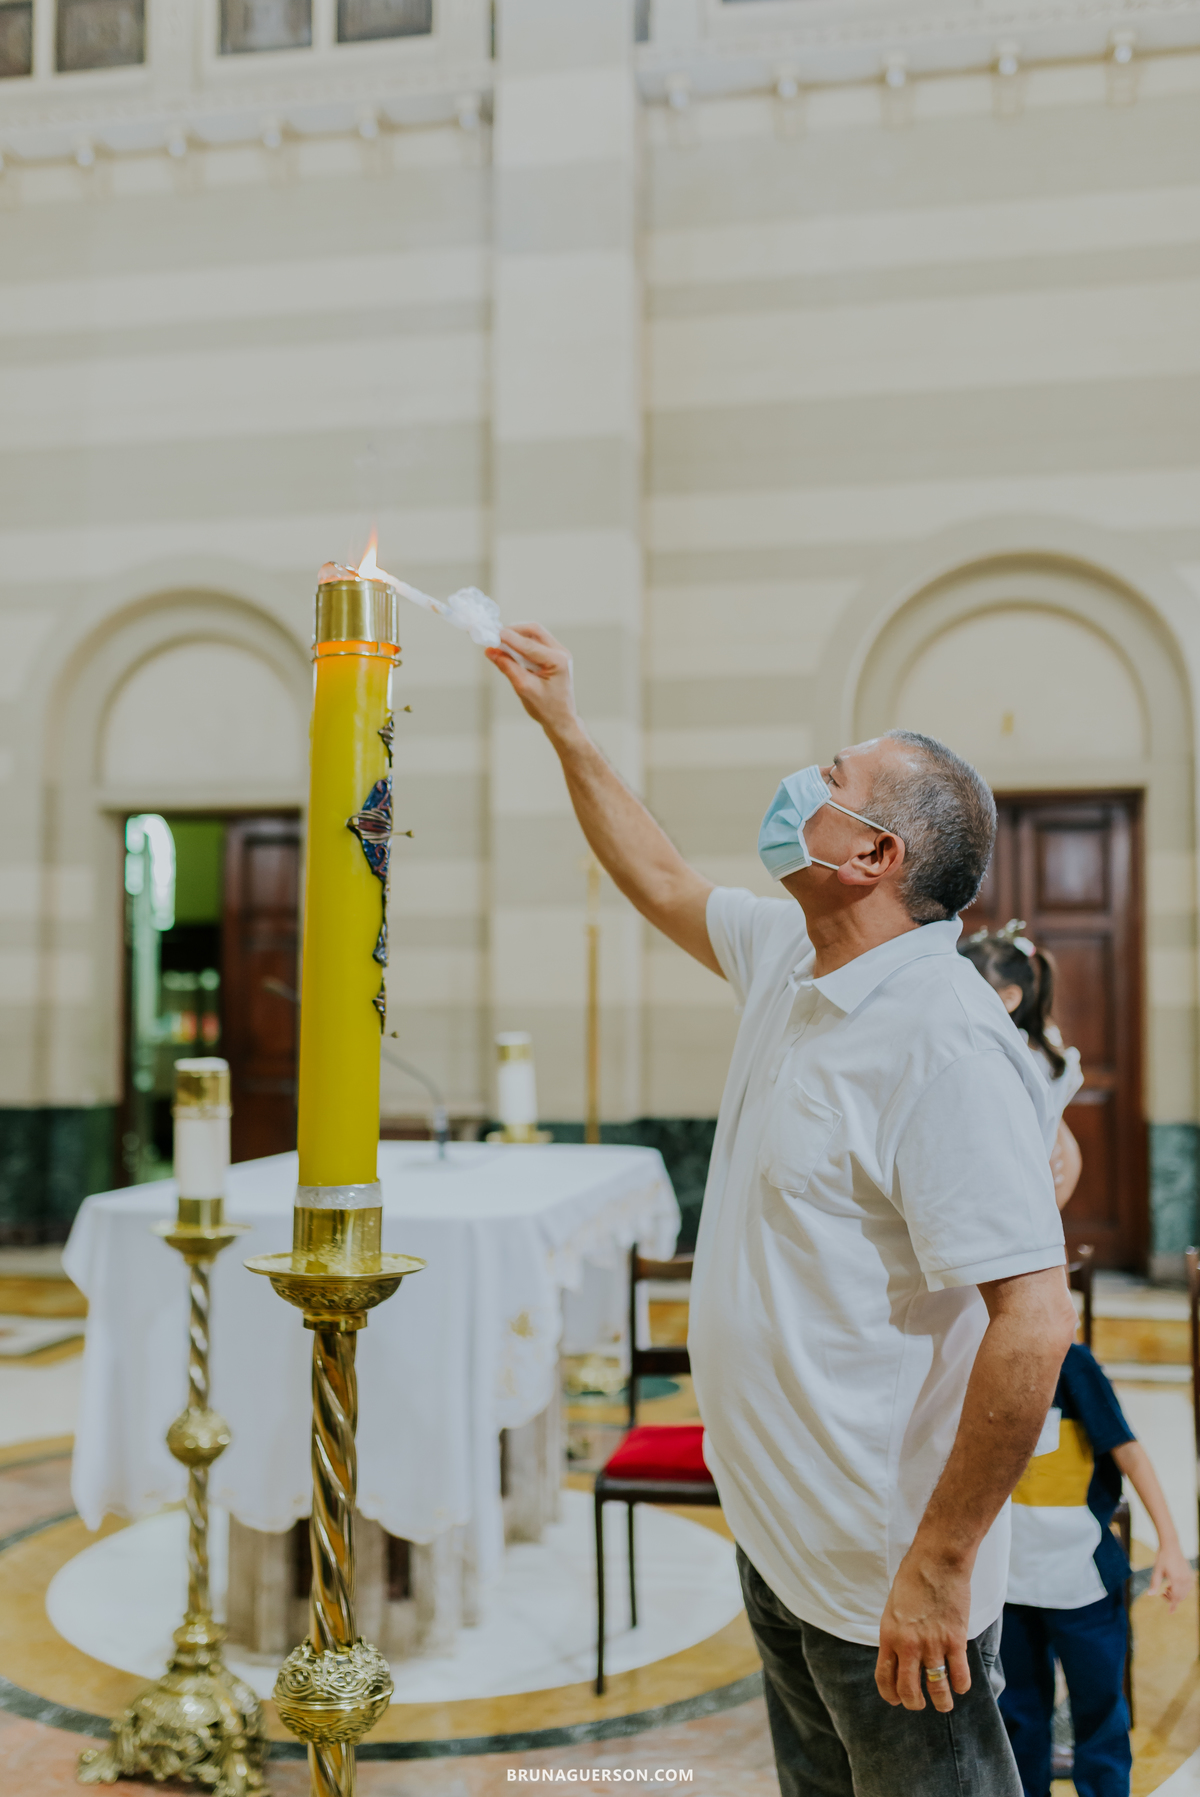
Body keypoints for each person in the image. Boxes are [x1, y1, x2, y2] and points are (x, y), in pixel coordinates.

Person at [486, 622, 1078, 1797]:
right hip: (785, 1536)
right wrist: (563, 726)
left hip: (889, 1582)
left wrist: (940, 1565)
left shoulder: (943, 1040)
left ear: (871, 853)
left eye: (833, 778)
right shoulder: (793, 959)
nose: (800, 786)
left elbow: (1033, 1319)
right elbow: (657, 875)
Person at [999, 1341, 1193, 1797]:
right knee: (1017, 1714)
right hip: (1006, 1588)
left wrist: (1170, 1544)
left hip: (1083, 1586)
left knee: (1100, 1712)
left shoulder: (1071, 1363)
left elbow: (1129, 1452)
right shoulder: (970, 1355)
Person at [959, 921, 1084, 1208]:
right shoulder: (1036, 1046)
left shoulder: (1014, 1056)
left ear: (1010, 998)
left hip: (1018, 1187)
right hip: (1035, 1181)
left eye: (969, 989)